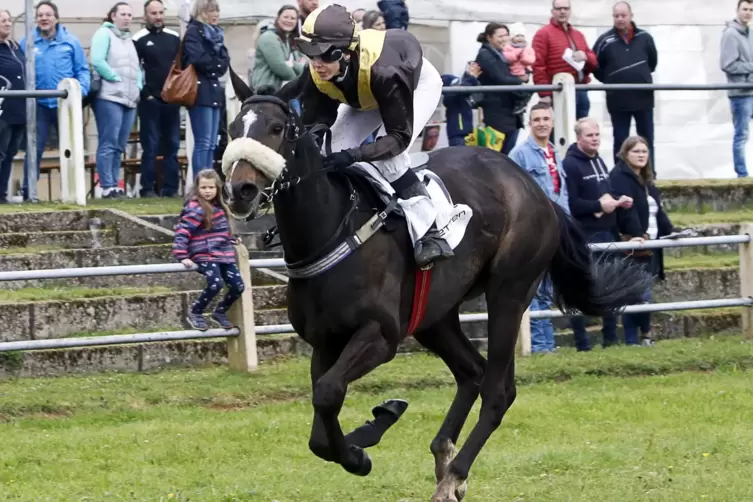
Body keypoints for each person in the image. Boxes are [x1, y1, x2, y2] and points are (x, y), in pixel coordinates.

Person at [280, 4, 452, 268]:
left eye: (323, 56)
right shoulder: (321, 67)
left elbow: (397, 139)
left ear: (344, 53)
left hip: (414, 86)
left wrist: (354, 155)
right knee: (327, 150)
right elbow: (317, 119)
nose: (316, 63)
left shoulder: (386, 72)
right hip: (366, 91)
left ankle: (431, 231)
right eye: (311, 54)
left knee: (389, 160)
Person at [562, 118, 633, 351]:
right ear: (578, 138)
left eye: (597, 135)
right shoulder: (571, 165)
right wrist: (598, 206)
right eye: (589, 135)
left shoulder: (600, 160)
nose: (594, 139)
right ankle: (582, 342)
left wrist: (617, 200)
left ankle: (610, 339)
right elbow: (572, 203)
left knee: (610, 285)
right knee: (581, 287)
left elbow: (606, 192)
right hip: (586, 235)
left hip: (608, 232)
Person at [509, 103, 569, 353]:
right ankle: (541, 346)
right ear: (529, 123)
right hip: (534, 232)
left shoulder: (554, 152)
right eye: (537, 119)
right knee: (534, 291)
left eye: (546, 118)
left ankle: (548, 345)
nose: (542, 123)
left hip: (557, 230)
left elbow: (561, 194)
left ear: (552, 123)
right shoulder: (520, 155)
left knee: (547, 291)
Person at [19, 1, 90, 202]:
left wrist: (79, 93)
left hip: (64, 104)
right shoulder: (28, 42)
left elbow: (83, 70)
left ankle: (75, 193)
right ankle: (28, 193)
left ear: (56, 18)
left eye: (48, 15)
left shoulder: (71, 42)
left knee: (71, 149)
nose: (43, 18)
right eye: (40, 15)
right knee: (34, 148)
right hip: (38, 104)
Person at [610, 136, 676, 346]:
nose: (641, 155)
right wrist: (637, 234)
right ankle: (638, 338)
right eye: (636, 151)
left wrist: (672, 232)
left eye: (644, 152)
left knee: (641, 294)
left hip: (652, 243)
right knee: (638, 295)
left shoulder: (647, 179)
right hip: (635, 245)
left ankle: (642, 338)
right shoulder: (620, 176)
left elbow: (659, 211)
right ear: (625, 154)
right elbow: (627, 212)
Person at [173, 169, 244, 331]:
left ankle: (220, 311)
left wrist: (231, 239)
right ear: (197, 188)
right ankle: (196, 311)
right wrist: (182, 255)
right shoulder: (195, 208)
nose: (207, 191)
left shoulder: (220, 207)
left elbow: (220, 231)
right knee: (215, 284)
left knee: (238, 286)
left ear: (217, 188)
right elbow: (182, 232)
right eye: (203, 188)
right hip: (205, 254)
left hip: (224, 254)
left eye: (211, 188)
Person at [593, 1, 658, 170]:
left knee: (647, 139)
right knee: (620, 139)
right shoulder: (604, 40)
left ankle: (649, 175)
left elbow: (652, 63)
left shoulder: (645, 38)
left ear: (631, 16)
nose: (620, 19)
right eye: (616, 16)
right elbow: (595, 66)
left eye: (623, 15)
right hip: (618, 100)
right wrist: (612, 80)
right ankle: (620, 175)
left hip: (643, 98)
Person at [90, 2, 143, 199]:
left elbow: (136, 66)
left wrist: (138, 85)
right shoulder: (104, 34)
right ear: (113, 16)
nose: (127, 17)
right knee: (108, 141)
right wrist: (115, 78)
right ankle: (107, 185)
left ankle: (115, 184)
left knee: (120, 144)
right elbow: (98, 60)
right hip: (110, 96)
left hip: (129, 98)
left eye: (130, 14)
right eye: (123, 14)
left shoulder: (128, 39)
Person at [133, 0, 182, 198]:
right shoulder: (138, 39)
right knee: (150, 146)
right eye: (153, 13)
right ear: (146, 15)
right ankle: (147, 188)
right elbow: (134, 68)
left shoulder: (174, 37)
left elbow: (181, 67)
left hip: (172, 100)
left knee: (172, 145)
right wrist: (145, 93)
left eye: (161, 12)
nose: (158, 16)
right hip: (150, 102)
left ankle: (171, 189)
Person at [183, 0, 230, 176]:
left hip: (214, 90)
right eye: (211, 10)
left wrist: (215, 65)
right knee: (203, 142)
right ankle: (199, 182)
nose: (215, 14)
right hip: (199, 91)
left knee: (212, 142)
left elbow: (225, 60)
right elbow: (198, 59)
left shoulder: (217, 34)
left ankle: (209, 182)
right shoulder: (194, 31)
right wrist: (215, 65)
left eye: (217, 10)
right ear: (201, 12)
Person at [532, 0, 596, 119]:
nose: (562, 12)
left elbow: (594, 62)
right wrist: (545, 93)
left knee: (582, 130)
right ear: (552, 12)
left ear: (570, 11)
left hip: (581, 89)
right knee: (561, 132)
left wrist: (586, 57)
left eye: (566, 9)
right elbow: (538, 65)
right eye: (559, 9)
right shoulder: (543, 34)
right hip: (558, 91)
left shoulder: (578, 35)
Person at [475, 22, 526, 155]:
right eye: (500, 36)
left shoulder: (503, 54)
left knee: (508, 153)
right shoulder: (485, 55)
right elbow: (500, 78)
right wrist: (521, 80)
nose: (504, 39)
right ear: (489, 37)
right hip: (496, 113)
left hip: (508, 113)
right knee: (498, 155)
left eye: (506, 35)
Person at [720, 0, 753, 178]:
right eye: (745, 9)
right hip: (741, 93)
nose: (748, 13)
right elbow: (727, 65)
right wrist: (751, 68)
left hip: (751, 90)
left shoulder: (750, 32)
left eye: (751, 10)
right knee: (741, 136)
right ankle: (742, 175)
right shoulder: (730, 34)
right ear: (738, 11)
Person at [0, 9, 26, 204]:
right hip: (3, 110)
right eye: (2, 21)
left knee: (10, 153)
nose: (7, 24)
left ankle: (2, 194)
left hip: (20, 108)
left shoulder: (15, 47)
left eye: (9, 20)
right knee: (0, 153)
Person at [251, 5, 306, 92]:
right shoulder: (269, 37)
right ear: (278, 18)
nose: (289, 20)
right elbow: (280, 68)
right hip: (265, 91)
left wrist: (293, 64)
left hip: (279, 91)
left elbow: (305, 67)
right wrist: (298, 82)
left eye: (293, 18)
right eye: (285, 17)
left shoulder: (287, 39)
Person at [441, 62, 481, 147]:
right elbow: (463, 88)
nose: (458, 86)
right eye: (454, 84)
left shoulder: (460, 96)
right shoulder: (450, 97)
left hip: (467, 134)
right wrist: (470, 77)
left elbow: (468, 88)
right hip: (458, 136)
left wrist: (470, 76)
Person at [502, 22, 536, 116]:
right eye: (517, 36)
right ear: (512, 38)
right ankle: (518, 105)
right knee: (515, 91)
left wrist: (523, 56)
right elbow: (507, 57)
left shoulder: (528, 49)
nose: (520, 38)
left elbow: (531, 60)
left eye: (522, 36)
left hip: (523, 73)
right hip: (512, 74)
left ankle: (522, 104)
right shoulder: (508, 47)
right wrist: (517, 54)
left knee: (528, 91)